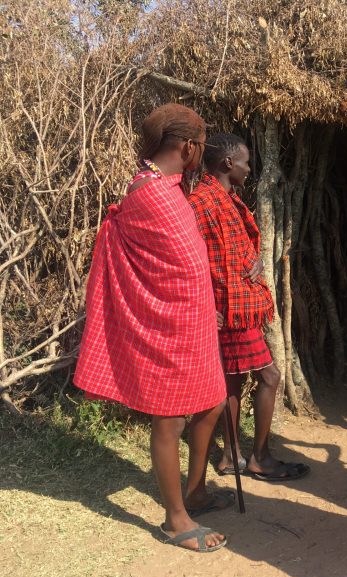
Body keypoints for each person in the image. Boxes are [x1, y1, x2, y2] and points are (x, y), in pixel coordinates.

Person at [74, 104, 230, 552]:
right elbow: (175, 268)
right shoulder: (152, 194)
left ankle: (195, 490)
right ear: (187, 147)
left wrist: (205, 308)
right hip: (166, 325)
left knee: (214, 401)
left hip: (192, 322)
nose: (199, 154)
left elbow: (186, 263)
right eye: (199, 147)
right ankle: (176, 520)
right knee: (169, 420)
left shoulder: (165, 186)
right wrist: (198, 306)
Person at [188, 133, 310, 482]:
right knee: (269, 377)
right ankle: (259, 457)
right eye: (245, 161)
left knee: (234, 380)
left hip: (235, 307)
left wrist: (253, 261)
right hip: (229, 312)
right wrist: (203, 302)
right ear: (228, 164)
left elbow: (235, 250)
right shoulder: (203, 202)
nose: (249, 167)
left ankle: (231, 455)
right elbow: (195, 261)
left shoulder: (223, 199)